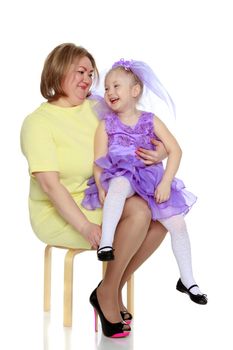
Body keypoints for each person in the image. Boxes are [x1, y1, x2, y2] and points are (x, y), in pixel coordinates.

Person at [20, 43, 169, 338]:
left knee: (161, 219)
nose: (88, 79)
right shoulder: (37, 123)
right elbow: (50, 185)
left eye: (90, 73)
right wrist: (86, 227)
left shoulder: (97, 106)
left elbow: (140, 125)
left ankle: (108, 290)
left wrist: (162, 150)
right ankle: (109, 295)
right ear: (58, 70)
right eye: (79, 71)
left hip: (99, 195)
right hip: (59, 210)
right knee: (139, 214)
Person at [82, 58, 208, 305]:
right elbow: (98, 160)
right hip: (120, 175)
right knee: (119, 185)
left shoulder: (150, 120)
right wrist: (99, 185)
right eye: (107, 88)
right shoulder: (107, 124)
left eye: (116, 86)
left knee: (178, 224)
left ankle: (188, 280)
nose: (109, 92)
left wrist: (165, 182)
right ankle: (106, 244)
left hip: (151, 182)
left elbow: (176, 150)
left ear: (135, 91)